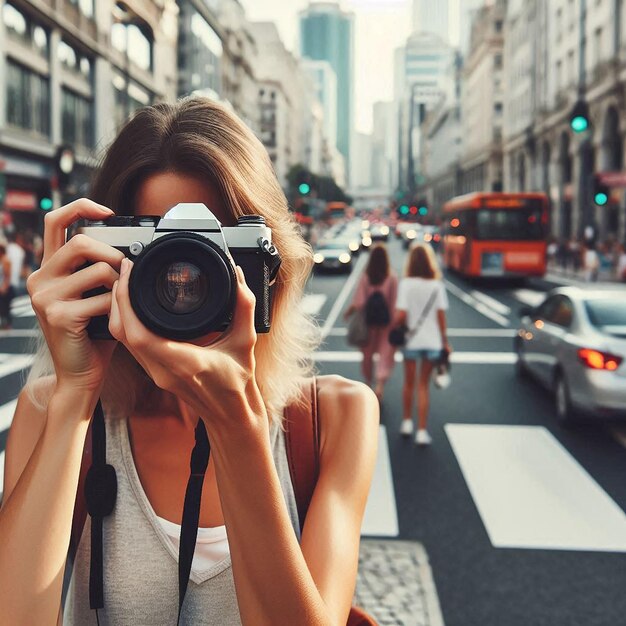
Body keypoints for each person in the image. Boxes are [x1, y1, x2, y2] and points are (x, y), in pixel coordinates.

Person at [0, 97, 379, 625]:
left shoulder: (330, 420)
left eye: (213, 249)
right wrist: (74, 394)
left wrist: (235, 421)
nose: (184, 280)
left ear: (271, 265)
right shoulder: (51, 412)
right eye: (155, 250)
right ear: (102, 258)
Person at [394, 243, 450, 446]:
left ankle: (407, 422)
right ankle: (422, 431)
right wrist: (445, 341)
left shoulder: (406, 284)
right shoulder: (437, 286)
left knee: (408, 383)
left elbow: (400, 315)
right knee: (423, 386)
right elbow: (441, 317)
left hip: (411, 340)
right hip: (432, 341)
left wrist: (396, 324)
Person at [344, 243, 398, 403]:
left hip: (368, 322)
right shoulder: (392, 277)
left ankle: (368, 383)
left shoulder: (366, 277)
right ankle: (380, 384)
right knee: (385, 355)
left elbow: (359, 302)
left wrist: (349, 312)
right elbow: (394, 303)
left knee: (367, 356)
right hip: (386, 324)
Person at [5, 231, 25, 295]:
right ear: (17, 239)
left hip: (6, 283)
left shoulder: (7, 248)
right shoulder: (21, 251)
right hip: (15, 283)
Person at [0, 241, 12, 329]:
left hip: (4, 288)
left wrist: (3, 287)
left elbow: (7, 276)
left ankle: (6, 324)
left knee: (4, 307)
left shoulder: (6, 260)